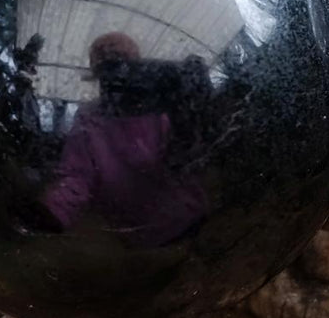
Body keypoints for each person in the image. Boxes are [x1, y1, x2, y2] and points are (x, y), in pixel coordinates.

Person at [42, 32, 206, 246]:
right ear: (97, 75)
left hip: (193, 221)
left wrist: (190, 100)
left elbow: (190, 154)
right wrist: (53, 211)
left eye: (124, 67)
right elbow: (77, 177)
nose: (117, 79)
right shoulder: (89, 120)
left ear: (139, 69)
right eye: (107, 69)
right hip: (143, 242)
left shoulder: (162, 108)